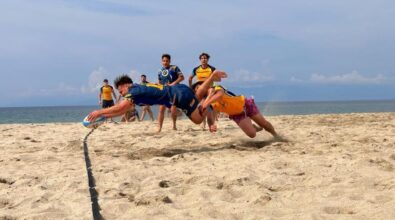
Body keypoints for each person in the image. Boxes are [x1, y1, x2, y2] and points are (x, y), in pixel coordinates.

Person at [87, 71, 228, 128]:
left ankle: (210, 99)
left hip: (177, 97)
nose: (122, 94)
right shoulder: (138, 87)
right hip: (181, 89)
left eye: (121, 90)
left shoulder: (134, 91)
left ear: (126, 85)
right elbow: (122, 110)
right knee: (196, 98)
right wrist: (105, 116)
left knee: (197, 120)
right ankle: (211, 78)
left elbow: (122, 108)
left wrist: (99, 112)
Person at [192, 82, 279, 138]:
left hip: (245, 104)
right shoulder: (207, 103)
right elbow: (210, 117)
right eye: (196, 90)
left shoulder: (217, 88)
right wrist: (211, 125)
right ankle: (255, 127)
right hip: (237, 115)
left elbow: (219, 95)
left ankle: (276, 136)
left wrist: (208, 100)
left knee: (264, 123)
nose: (198, 90)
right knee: (252, 134)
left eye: (199, 87)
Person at [189, 52, 216, 130]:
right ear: (200, 60)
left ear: (207, 60)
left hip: (209, 88)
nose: (204, 60)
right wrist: (191, 88)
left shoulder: (212, 69)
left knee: (208, 106)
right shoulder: (196, 69)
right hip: (199, 88)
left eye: (205, 58)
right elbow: (190, 78)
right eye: (202, 58)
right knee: (201, 105)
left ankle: (211, 124)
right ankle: (203, 123)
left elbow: (217, 77)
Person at [157, 54, 184, 132]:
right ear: (161, 61)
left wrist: (173, 83)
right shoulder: (160, 71)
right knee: (161, 110)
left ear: (170, 61)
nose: (165, 62)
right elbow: (159, 81)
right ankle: (159, 128)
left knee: (173, 109)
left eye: (167, 61)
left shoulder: (174, 68)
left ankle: (174, 125)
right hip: (163, 91)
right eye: (163, 61)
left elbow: (182, 77)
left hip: (174, 91)